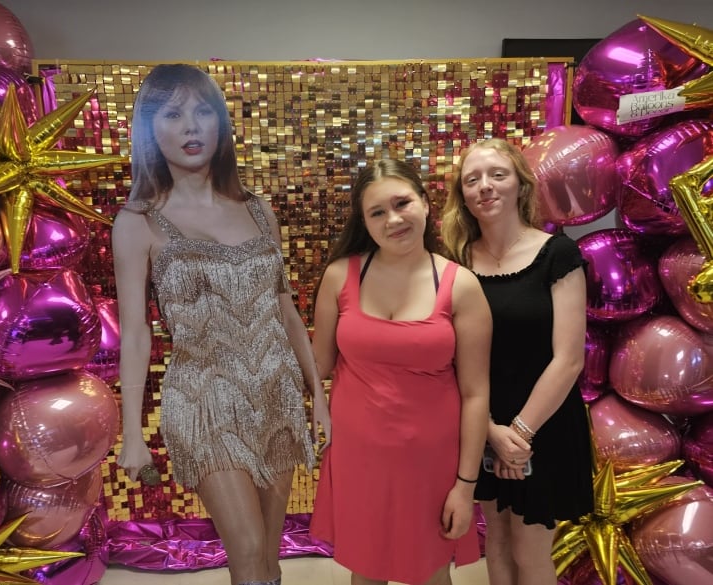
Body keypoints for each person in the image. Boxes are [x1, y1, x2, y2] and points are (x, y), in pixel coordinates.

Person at [111, 63, 330, 585]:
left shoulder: (258, 210)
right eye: (173, 113)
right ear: (150, 128)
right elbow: (136, 333)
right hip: (204, 400)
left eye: (203, 110)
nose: (191, 126)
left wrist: (317, 393)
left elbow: (286, 310)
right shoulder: (138, 220)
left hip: (275, 394)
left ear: (221, 123)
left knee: (268, 557)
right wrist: (130, 433)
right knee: (247, 547)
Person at [310, 159, 492, 585]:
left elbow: (475, 393)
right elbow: (317, 366)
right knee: (366, 570)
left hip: (431, 464)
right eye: (377, 212)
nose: (393, 219)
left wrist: (465, 486)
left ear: (426, 205)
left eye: (402, 203)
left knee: (429, 574)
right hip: (358, 457)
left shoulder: (461, 284)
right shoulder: (339, 276)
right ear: (365, 222)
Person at [440, 138, 594, 585]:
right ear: (463, 196)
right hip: (482, 421)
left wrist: (519, 436)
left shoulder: (557, 254)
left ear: (520, 186)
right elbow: (449, 357)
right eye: (473, 180)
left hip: (542, 423)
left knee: (531, 551)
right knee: (499, 544)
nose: (485, 187)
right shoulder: (456, 263)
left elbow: (568, 360)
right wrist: (490, 432)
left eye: (497, 175)